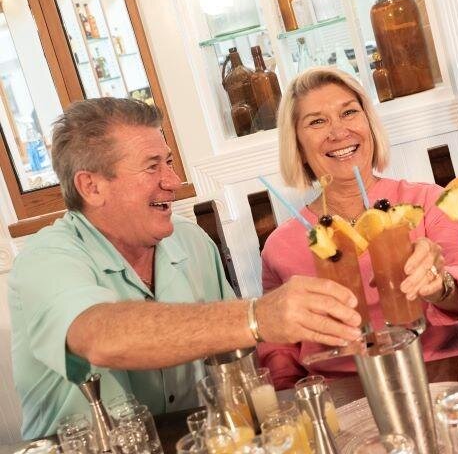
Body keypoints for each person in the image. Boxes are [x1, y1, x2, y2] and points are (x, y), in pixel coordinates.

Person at [8, 98, 361, 439]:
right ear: (92, 186)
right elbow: (99, 338)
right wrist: (258, 316)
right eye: (152, 166)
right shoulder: (45, 259)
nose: (173, 180)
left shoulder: (191, 240)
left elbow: (236, 365)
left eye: (169, 162)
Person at [258, 67, 458, 389]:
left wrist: (440, 286)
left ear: (369, 124)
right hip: (341, 393)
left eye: (349, 112)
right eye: (317, 121)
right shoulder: (280, 246)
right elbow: (278, 352)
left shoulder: (424, 203)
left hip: (436, 376)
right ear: (297, 145)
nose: (338, 132)